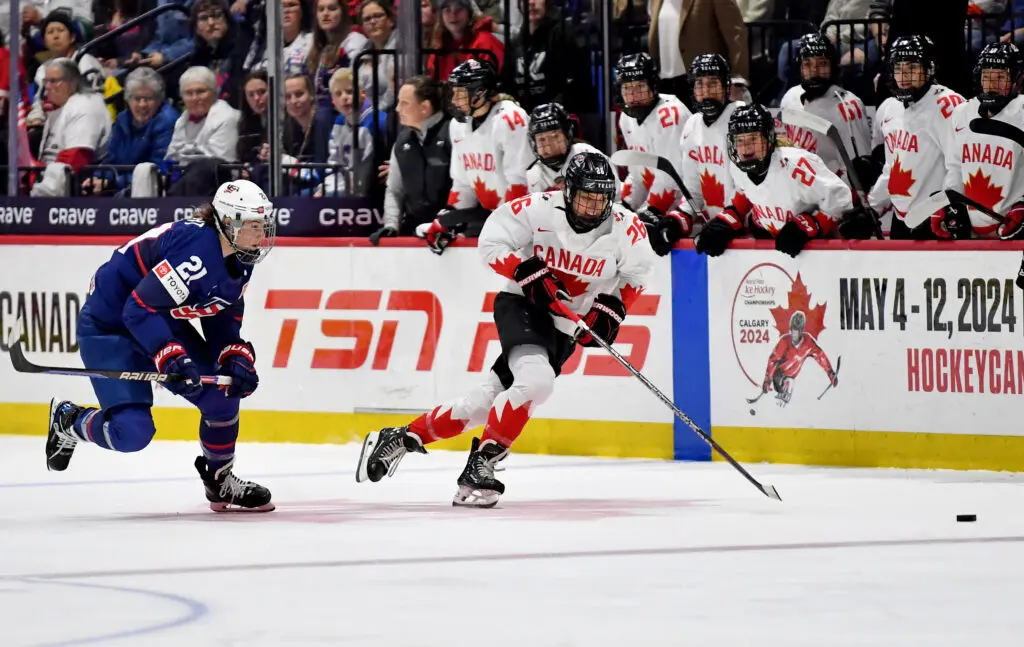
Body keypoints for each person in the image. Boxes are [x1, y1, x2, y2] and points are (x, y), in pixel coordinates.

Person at [356, 152, 655, 507]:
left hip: (564, 327)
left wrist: (611, 310)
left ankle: (400, 437)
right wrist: (526, 270)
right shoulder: (538, 208)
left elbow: (636, 276)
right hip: (522, 307)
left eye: (600, 198)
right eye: (585, 197)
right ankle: (483, 462)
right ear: (567, 191)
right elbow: (491, 242)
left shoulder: (627, 228)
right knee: (537, 382)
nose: (592, 207)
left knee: (485, 402)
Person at [45, 179, 277, 513]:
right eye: (253, 226)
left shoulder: (240, 256)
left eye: (263, 224)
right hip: (110, 328)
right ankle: (70, 421)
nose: (261, 234)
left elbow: (219, 312)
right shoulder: (196, 248)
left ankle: (220, 479)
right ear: (227, 223)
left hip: (154, 318)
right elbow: (136, 308)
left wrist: (233, 356)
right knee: (132, 434)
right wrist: (170, 356)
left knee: (223, 396)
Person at [694, 103, 858, 258]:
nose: (746, 148)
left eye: (753, 139)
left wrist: (809, 225)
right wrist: (727, 222)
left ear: (769, 138)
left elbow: (840, 198)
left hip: (815, 251)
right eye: (740, 140)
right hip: (772, 247)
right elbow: (746, 192)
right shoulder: (738, 167)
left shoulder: (795, 165)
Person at [420, 58, 532, 253]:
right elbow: (462, 184)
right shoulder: (458, 126)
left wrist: (505, 228)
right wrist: (451, 220)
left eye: (460, 94)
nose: (454, 101)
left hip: (525, 221)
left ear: (479, 93)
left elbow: (521, 182)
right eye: (453, 93)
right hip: (493, 218)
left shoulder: (511, 119)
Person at [867, 35, 967, 239]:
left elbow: (959, 168)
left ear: (928, 69)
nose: (903, 75)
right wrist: (872, 209)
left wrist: (943, 209)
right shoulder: (889, 108)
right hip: (901, 220)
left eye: (912, 68)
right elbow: (891, 169)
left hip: (938, 222)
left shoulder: (949, 105)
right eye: (898, 68)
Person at [651, 53, 743, 256]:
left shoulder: (742, 119)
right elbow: (693, 190)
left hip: (747, 232)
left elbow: (754, 185)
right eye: (699, 85)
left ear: (726, 86)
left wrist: (728, 222)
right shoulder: (692, 125)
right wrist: (677, 219)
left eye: (713, 84)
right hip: (714, 233)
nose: (706, 92)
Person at [777, 32, 876, 192]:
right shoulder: (790, 98)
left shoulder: (848, 106)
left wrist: (829, 207)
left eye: (822, 63)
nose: (814, 70)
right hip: (796, 197)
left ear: (833, 66)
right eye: (807, 64)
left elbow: (858, 173)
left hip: (830, 202)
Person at [946, 42, 1024, 239]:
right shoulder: (962, 113)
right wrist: (950, 205)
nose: (991, 84)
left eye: (1000, 77)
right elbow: (955, 167)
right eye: (986, 76)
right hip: (971, 231)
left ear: (1017, 80)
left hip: (1015, 228)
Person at [615, 52, 693, 222]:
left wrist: (650, 211)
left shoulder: (670, 114)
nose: (633, 95)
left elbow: (672, 176)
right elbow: (637, 173)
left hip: (690, 208)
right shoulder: (626, 117)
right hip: (661, 206)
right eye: (627, 88)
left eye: (640, 87)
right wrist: (625, 206)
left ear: (653, 86)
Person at [525, 102, 604, 193]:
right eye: (542, 139)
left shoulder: (589, 156)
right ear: (534, 143)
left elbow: (615, 195)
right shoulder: (533, 176)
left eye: (554, 137)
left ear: (568, 135)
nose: (549, 147)